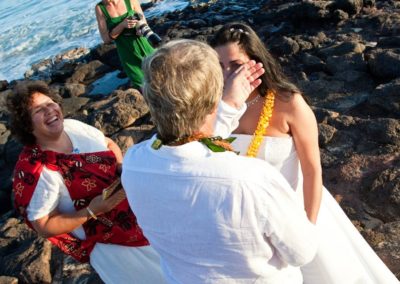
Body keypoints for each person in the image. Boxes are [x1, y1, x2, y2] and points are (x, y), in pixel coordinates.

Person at [211, 22, 399, 284]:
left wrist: (308, 228)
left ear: (255, 61)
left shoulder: (288, 102)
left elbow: (312, 170)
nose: (228, 73)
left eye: (235, 64)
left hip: (298, 212)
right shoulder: (216, 108)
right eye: (220, 66)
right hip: (247, 222)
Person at [122, 39, 318, 284]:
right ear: (215, 97)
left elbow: (189, 144)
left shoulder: (133, 165)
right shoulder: (253, 179)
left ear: (148, 98)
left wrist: (229, 105)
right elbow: (302, 252)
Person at [8, 81, 166, 284]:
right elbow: (43, 225)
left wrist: (119, 166)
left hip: (138, 213)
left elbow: (108, 143)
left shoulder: (74, 127)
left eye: (50, 103)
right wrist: (91, 211)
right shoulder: (39, 171)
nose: (50, 110)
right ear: (27, 125)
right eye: (39, 110)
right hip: (111, 246)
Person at [95, 0, 155, 89]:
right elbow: (106, 39)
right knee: (141, 86)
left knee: (160, 75)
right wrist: (122, 25)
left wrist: (140, 29)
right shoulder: (100, 8)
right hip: (127, 54)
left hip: (144, 45)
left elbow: (143, 22)